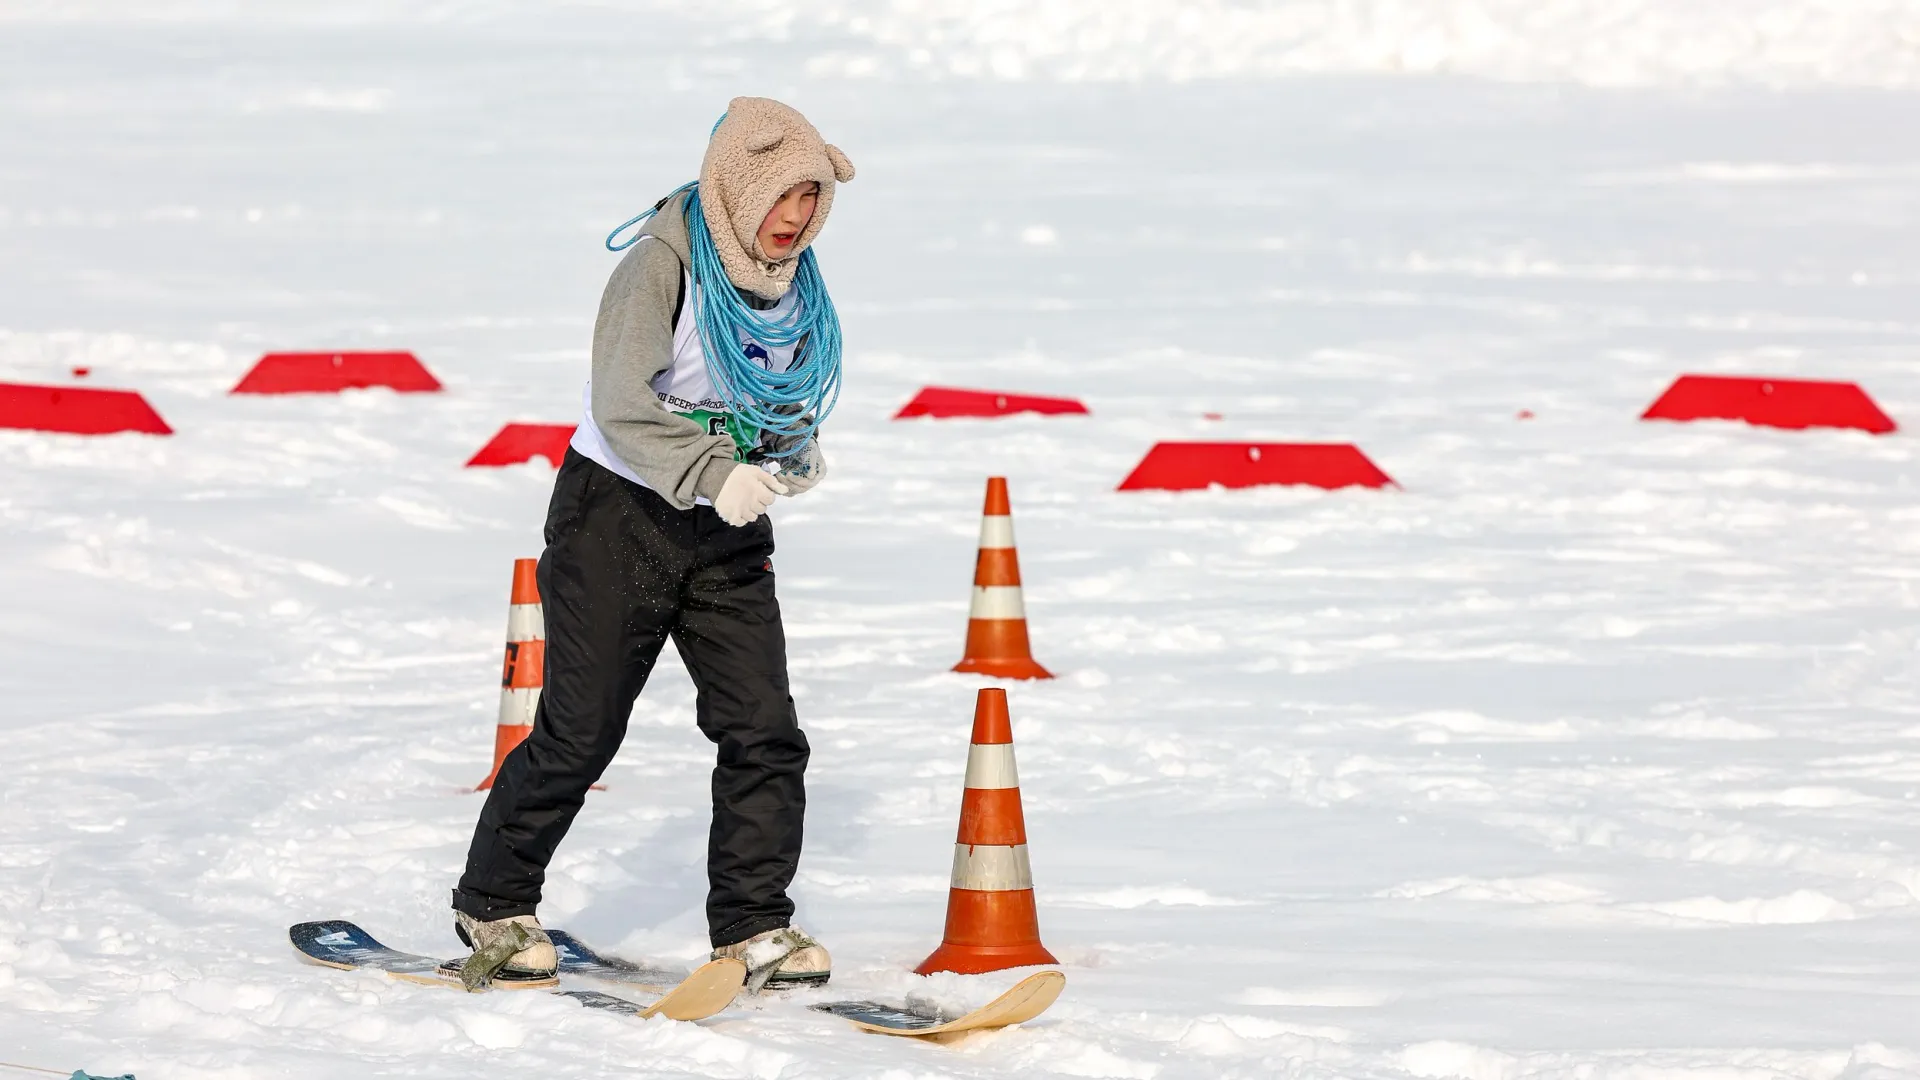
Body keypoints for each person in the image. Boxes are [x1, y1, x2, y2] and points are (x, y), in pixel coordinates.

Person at [449, 97, 855, 988]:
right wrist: (715, 472)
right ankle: (494, 900)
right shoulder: (660, 266)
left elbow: (779, 384)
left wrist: (788, 448)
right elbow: (622, 403)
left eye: (811, 201)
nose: (795, 219)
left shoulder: (793, 279)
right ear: (738, 187)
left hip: (726, 527)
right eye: (782, 197)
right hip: (616, 515)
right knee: (582, 729)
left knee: (765, 729)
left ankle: (754, 925)